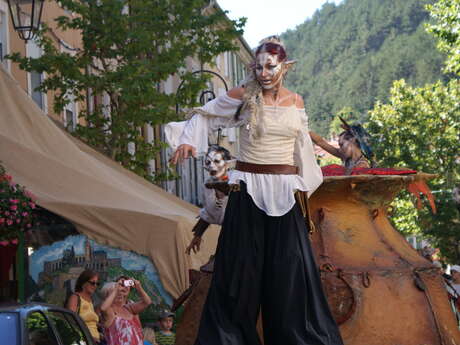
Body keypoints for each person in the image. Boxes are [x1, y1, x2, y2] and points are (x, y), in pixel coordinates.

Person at [168, 35, 344, 345]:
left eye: (270, 67)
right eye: (259, 67)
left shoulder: (295, 101)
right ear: (253, 68)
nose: (264, 73)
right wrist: (186, 140)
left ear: (284, 68)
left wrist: (304, 184)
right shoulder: (243, 96)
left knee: (290, 272)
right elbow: (206, 114)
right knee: (239, 272)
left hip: (286, 192)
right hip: (248, 190)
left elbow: (301, 145)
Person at [100, 278, 152, 345]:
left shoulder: (128, 308)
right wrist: (115, 289)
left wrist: (139, 287)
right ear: (107, 296)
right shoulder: (110, 312)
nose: (119, 293)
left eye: (121, 291)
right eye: (115, 292)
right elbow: (103, 308)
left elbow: (147, 302)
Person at [65, 269, 102, 344]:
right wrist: (88, 336)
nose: (95, 286)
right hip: (83, 341)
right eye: (92, 283)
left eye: (97, 284)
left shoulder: (91, 301)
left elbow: (91, 322)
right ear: (83, 283)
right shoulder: (75, 297)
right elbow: (71, 321)